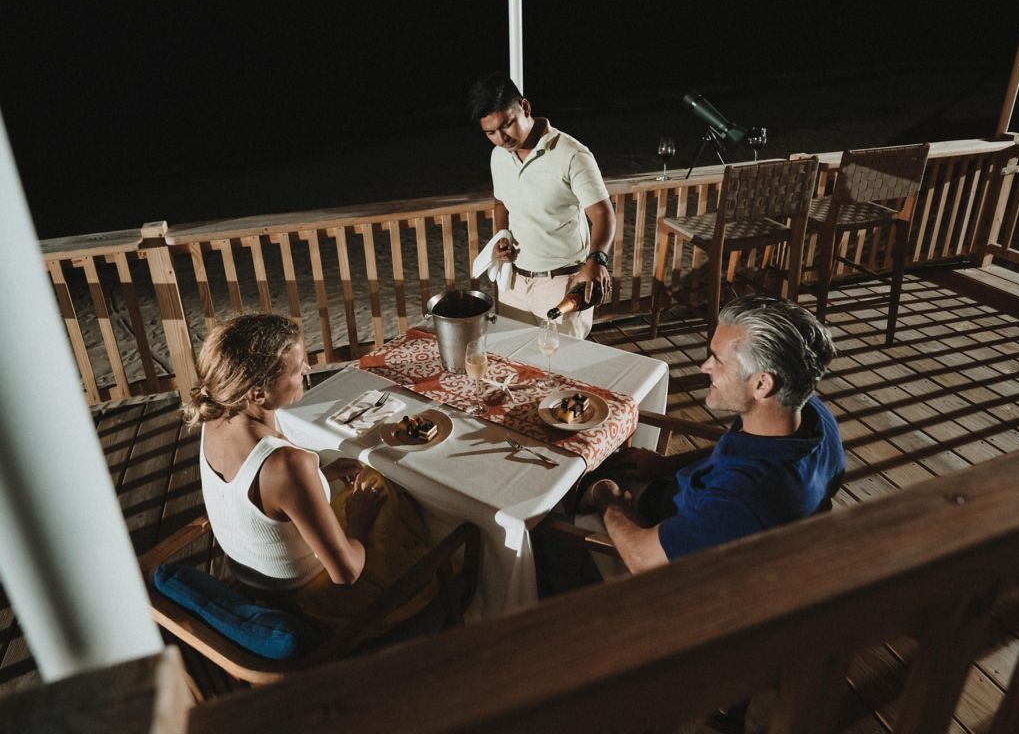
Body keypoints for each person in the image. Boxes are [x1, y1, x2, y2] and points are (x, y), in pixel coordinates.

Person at [182, 313, 431, 629]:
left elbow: (261, 495)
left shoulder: (216, 416)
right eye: (297, 370)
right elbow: (347, 573)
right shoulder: (288, 465)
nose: (308, 370)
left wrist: (320, 477)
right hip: (308, 598)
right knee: (404, 506)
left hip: (254, 576)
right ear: (258, 394)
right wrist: (358, 521)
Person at [575, 296, 845, 574]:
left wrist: (605, 496)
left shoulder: (742, 499)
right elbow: (739, 450)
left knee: (574, 496)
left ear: (762, 383)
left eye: (718, 361)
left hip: (677, 565)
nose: (705, 367)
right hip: (689, 503)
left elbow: (644, 559)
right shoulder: (811, 415)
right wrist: (665, 465)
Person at [466, 72, 615, 339]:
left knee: (563, 368)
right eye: (490, 133)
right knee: (517, 362)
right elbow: (501, 201)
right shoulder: (498, 156)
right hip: (512, 283)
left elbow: (602, 214)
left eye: (507, 125)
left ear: (524, 107)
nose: (501, 138)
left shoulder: (572, 154)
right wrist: (502, 236)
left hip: (560, 283)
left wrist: (597, 260)